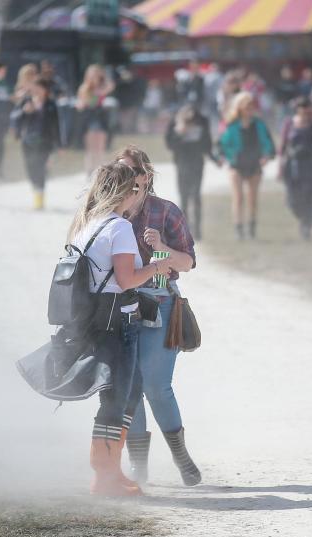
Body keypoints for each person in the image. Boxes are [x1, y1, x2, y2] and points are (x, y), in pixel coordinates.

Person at [66, 161, 175, 497]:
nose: (138, 196)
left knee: (127, 390)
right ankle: (105, 476)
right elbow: (127, 279)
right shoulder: (120, 228)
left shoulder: (89, 224)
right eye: (137, 189)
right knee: (117, 396)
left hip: (97, 321)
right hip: (117, 323)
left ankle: (110, 469)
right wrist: (157, 265)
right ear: (128, 192)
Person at [114, 147, 201, 487]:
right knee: (130, 387)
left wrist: (162, 246)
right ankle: (139, 467)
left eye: (129, 172)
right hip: (120, 307)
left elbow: (187, 263)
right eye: (117, 171)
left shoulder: (165, 212)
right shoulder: (109, 213)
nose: (124, 179)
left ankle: (181, 457)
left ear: (144, 176)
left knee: (156, 385)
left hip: (161, 302)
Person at [218, 91, 275, 240]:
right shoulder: (231, 125)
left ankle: (252, 228)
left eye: (252, 106)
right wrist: (226, 157)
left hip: (254, 163)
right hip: (236, 165)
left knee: (252, 198)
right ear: (240, 107)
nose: (250, 109)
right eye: (247, 106)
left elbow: (268, 143)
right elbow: (222, 144)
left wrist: (267, 156)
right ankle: (239, 229)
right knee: (238, 197)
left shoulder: (259, 124)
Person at [165, 103, 219, 239]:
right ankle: (185, 230)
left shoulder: (202, 122)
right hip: (181, 162)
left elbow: (207, 145)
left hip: (197, 163)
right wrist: (180, 133)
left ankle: (198, 231)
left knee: (196, 196)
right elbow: (170, 145)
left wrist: (215, 159)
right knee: (183, 197)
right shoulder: (175, 123)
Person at [279, 96, 312, 240]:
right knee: (292, 199)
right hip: (293, 164)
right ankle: (301, 216)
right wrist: (279, 167)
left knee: (310, 197)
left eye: (307, 107)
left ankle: (306, 227)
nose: (305, 110)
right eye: (302, 107)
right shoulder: (289, 123)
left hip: (311, 164)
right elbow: (282, 145)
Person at [11, 78, 61, 210]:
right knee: (30, 169)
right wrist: (24, 111)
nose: (36, 91)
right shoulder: (26, 101)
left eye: (39, 88)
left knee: (41, 168)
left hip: (45, 141)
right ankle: (36, 189)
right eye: (35, 88)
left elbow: (57, 125)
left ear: (45, 90)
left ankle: (39, 199)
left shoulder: (51, 104)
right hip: (27, 141)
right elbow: (14, 118)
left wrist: (59, 144)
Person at [76, 64, 115, 176]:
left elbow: (110, 86)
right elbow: (80, 104)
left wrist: (102, 76)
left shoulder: (102, 86)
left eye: (96, 75)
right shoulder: (84, 88)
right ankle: (89, 171)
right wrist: (84, 102)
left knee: (100, 146)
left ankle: (100, 170)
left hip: (100, 117)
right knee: (91, 147)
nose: (94, 77)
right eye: (92, 75)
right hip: (89, 117)